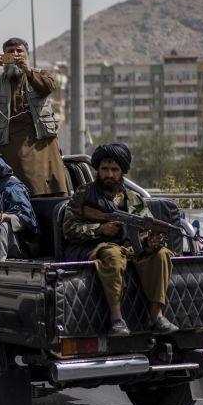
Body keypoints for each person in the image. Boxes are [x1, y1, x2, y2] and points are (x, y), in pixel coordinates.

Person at [62, 143, 180, 337]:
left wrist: (148, 243)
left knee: (162, 254)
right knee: (113, 255)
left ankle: (156, 315)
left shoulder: (133, 198)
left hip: (130, 248)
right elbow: (69, 229)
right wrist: (99, 229)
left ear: (122, 172)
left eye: (114, 170)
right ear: (98, 170)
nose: (109, 174)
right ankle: (117, 318)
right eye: (105, 169)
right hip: (95, 247)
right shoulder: (84, 195)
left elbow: (143, 230)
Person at [0, 37, 68, 197]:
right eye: (10, 52)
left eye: (19, 51)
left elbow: (48, 87)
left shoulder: (40, 74)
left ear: (27, 55)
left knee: (54, 185)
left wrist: (27, 70)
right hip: (14, 141)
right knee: (24, 185)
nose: (15, 54)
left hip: (42, 139)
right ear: (4, 57)